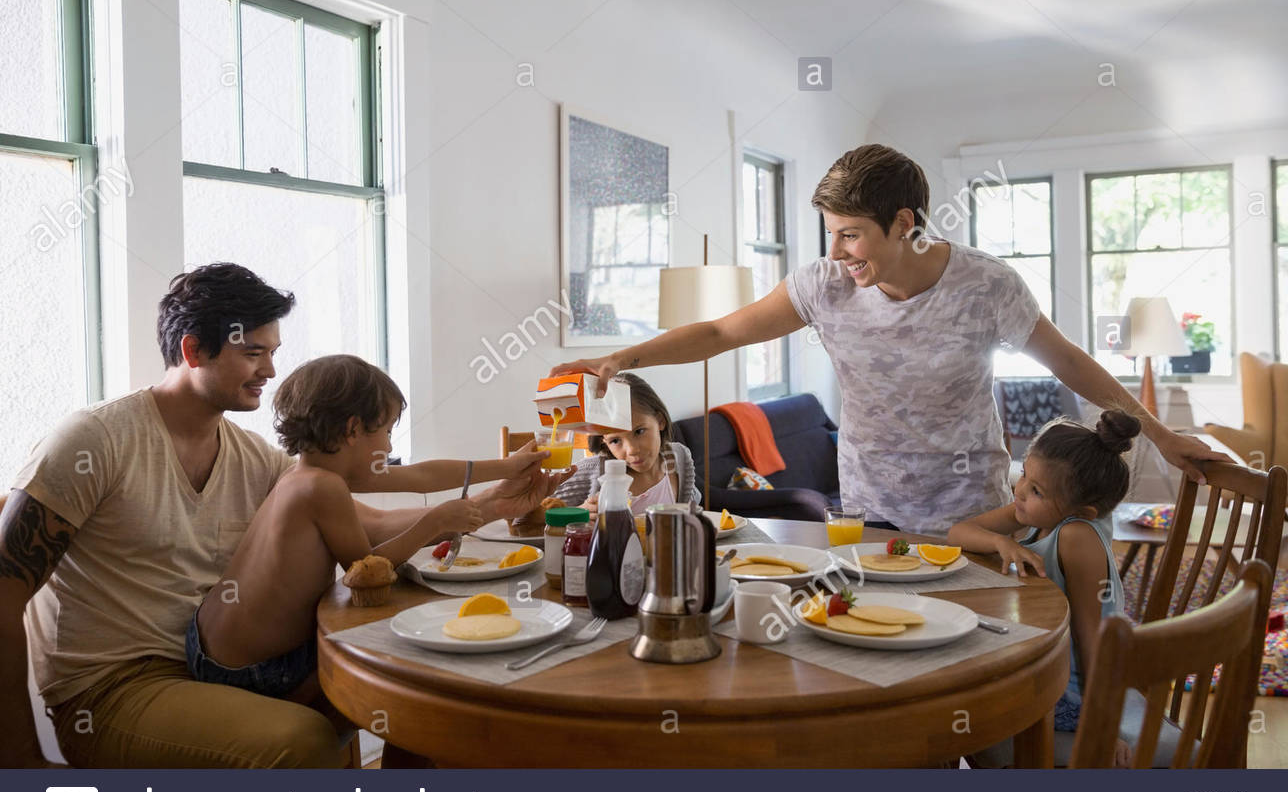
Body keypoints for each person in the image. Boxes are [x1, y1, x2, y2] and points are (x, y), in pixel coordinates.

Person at [0, 263, 564, 769]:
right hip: (117, 688)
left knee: (419, 697)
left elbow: (366, 519)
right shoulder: (95, 441)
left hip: (216, 664)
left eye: (273, 351)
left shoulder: (251, 456)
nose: (270, 369)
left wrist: (483, 507)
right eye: (254, 353)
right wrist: (18, 763)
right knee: (303, 742)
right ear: (194, 351)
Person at [551, 144, 1225, 536]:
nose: (837, 251)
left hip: (975, 511)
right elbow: (725, 330)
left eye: (851, 233)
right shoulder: (824, 285)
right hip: (869, 511)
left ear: (903, 222)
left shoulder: (986, 287)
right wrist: (625, 357)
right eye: (831, 232)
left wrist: (1161, 437)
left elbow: (1072, 363)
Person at [189, 354, 559, 704]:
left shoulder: (307, 474)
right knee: (407, 682)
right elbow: (365, 573)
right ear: (353, 429)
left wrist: (507, 467)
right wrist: (435, 522)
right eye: (386, 430)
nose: (389, 444)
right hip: (254, 671)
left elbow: (422, 476)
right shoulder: (323, 487)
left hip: (209, 643)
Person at [948, 410, 1139, 766]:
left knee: (951, 705)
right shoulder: (1034, 509)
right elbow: (958, 533)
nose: (1019, 490)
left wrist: (1106, 727)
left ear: (1082, 511)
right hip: (1043, 665)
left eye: (1036, 490)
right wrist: (1002, 543)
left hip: (1068, 693)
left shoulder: (1076, 536)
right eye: (1024, 475)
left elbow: (1093, 638)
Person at [552, 373, 701, 512]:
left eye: (639, 432)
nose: (632, 450)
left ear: (660, 421)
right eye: (615, 440)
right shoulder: (594, 471)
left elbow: (692, 509)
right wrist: (579, 513)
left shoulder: (678, 457)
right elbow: (537, 514)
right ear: (603, 441)